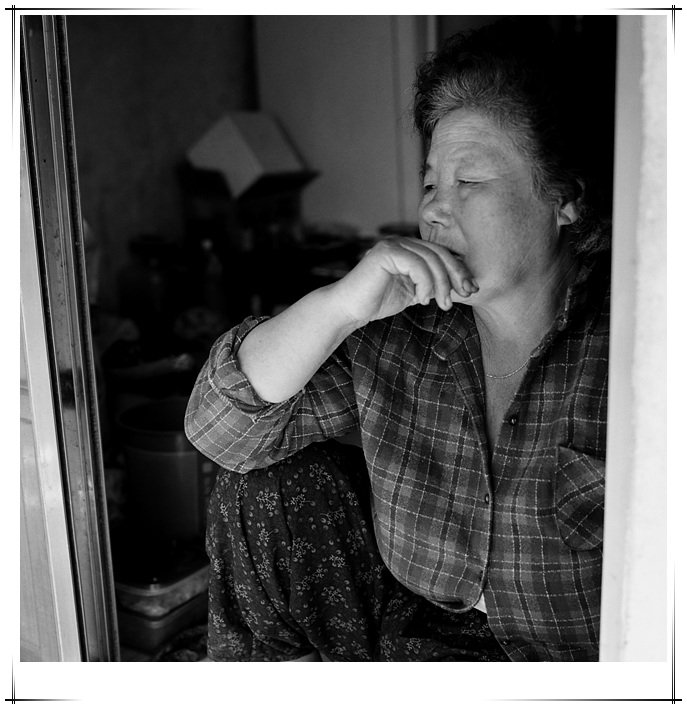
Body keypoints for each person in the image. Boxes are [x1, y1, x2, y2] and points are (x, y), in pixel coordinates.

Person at [185, 17, 611, 662]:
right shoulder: (404, 331)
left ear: (566, 198)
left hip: (576, 670)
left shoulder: (634, 346)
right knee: (261, 488)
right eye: (431, 183)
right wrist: (339, 305)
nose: (434, 208)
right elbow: (220, 431)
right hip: (418, 640)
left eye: (469, 182)